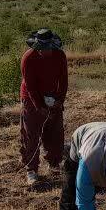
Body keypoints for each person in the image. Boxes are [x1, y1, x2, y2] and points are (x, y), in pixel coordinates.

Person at [20, 29, 68, 185]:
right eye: (41, 48)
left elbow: (64, 80)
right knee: (31, 134)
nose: (45, 51)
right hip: (31, 98)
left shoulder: (60, 56)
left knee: (55, 132)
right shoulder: (29, 58)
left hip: (53, 96)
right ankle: (31, 170)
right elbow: (30, 86)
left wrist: (60, 100)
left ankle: (54, 163)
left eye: (47, 48)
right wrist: (38, 106)